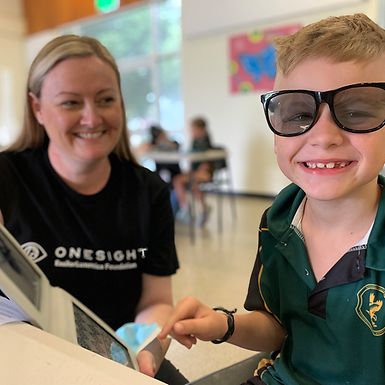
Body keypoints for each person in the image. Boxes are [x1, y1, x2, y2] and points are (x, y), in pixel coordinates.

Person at [159, 13, 385, 385]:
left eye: (356, 112)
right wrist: (223, 324)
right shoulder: (279, 220)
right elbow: (278, 327)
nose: (323, 136)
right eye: (297, 113)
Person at [0, 35, 188, 384]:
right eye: (71, 103)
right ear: (37, 108)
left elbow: (157, 300)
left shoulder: (149, 193)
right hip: (28, 356)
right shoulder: (7, 178)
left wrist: (148, 346)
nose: (92, 117)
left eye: (105, 100)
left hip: (117, 360)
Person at [173, 116, 214, 227]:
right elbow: (192, 159)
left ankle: (185, 208)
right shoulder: (195, 141)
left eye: (193, 129)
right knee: (191, 183)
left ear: (201, 129)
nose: (192, 132)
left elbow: (205, 163)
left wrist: (196, 171)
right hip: (197, 172)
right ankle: (203, 208)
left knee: (178, 180)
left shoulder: (205, 142)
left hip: (204, 173)